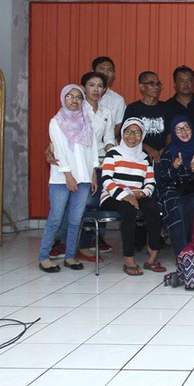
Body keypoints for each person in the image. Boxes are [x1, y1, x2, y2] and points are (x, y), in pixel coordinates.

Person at [39, 85, 99, 273]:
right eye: (70, 96)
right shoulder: (56, 122)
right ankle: (44, 257)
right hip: (61, 179)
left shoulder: (86, 121)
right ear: (63, 98)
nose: (74, 100)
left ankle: (70, 256)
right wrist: (68, 175)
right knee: (55, 219)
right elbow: (59, 150)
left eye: (78, 97)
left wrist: (93, 172)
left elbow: (93, 149)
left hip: (84, 178)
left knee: (75, 220)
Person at [100, 118, 164, 276]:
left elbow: (150, 182)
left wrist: (142, 193)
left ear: (142, 136)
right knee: (129, 210)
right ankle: (129, 258)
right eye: (128, 131)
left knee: (153, 207)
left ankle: (153, 253)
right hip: (112, 195)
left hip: (137, 195)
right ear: (122, 133)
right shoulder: (113, 153)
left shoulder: (144, 157)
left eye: (137, 133)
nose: (132, 136)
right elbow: (106, 180)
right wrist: (125, 196)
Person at [75, 72, 116, 261]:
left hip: (100, 163)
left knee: (98, 202)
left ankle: (91, 243)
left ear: (105, 89)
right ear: (84, 87)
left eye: (100, 86)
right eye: (91, 85)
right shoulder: (77, 110)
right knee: (83, 204)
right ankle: (75, 244)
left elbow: (108, 138)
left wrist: (113, 154)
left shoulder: (106, 112)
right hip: (80, 163)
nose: (96, 89)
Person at [156, 116, 194, 256]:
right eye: (178, 129)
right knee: (178, 207)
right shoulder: (169, 151)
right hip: (171, 188)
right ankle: (183, 254)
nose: (183, 132)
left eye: (186, 128)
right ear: (173, 133)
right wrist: (173, 167)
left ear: (191, 129)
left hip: (192, 188)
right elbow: (163, 177)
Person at [123, 71, 168, 163]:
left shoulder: (166, 108)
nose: (156, 87)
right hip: (138, 156)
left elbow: (170, 133)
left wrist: (166, 149)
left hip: (162, 157)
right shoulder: (133, 108)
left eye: (158, 84)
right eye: (152, 83)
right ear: (142, 87)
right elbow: (126, 134)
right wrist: (147, 148)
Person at [92, 56, 126, 138]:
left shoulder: (118, 100)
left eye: (109, 70)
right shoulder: (81, 96)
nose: (106, 73)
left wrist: (104, 142)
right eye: (102, 69)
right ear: (93, 72)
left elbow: (119, 127)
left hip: (107, 144)